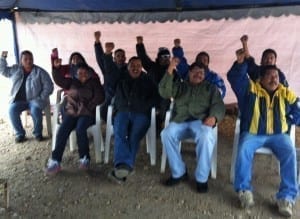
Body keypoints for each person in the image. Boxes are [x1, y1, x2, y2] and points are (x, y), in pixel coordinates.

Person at [227, 49, 300, 217]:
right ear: (261, 78)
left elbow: (298, 110)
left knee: (289, 151)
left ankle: (286, 197)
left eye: (276, 76)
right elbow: (235, 78)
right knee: (244, 148)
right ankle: (244, 191)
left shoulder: (285, 93)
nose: (274, 78)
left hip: (278, 135)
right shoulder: (250, 90)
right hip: (254, 134)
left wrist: (289, 121)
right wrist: (240, 64)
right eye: (270, 76)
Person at [159, 59, 225, 193]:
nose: (198, 75)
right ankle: (179, 172)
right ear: (189, 73)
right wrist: (170, 68)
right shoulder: (180, 86)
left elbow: (218, 105)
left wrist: (214, 117)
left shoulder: (210, 88)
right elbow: (164, 92)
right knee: (166, 134)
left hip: (200, 122)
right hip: (180, 120)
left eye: (201, 73)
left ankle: (201, 178)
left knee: (206, 136)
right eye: (195, 71)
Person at [45, 62, 105, 175]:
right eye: (79, 73)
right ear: (76, 74)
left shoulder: (94, 83)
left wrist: (88, 106)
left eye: (85, 73)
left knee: (80, 129)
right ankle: (55, 161)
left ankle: (84, 159)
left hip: (87, 113)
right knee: (63, 130)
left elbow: (100, 97)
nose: (82, 75)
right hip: (72, 112)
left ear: (89, 74)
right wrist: (56, 69)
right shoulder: (72, 82)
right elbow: (59, 80)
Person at [108, 56, 158, 184]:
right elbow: (108, 70)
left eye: (138, 66)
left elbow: (156, 97)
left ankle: (122, 168)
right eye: (132, 65)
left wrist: (146, 106)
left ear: (142, 68)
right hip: (123, 112)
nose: (135, 68)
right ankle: (125, 166)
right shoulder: (120, 78)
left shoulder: (148, 80)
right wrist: (106, 54)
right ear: (128, 66)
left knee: (134, 136)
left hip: (141, 114)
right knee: (119, 132)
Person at [0, 50, 54, 143]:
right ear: (21, 60)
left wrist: (41, 97)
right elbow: (3, 70)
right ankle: (20, 134)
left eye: (30, 59)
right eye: (26, 59)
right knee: (11, 110)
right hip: (19, 100)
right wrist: (3, 58)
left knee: (36, 110)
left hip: (35, 100)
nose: (29, 61)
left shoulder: (40, 71)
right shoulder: (15, 69)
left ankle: (38, 134)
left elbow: (49, 85)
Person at [136, 36, 172, 132]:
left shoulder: (172, 71)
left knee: (164, 104)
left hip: (164, 100)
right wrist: (140, 44)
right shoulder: (152, 67)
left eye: (168, 57)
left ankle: (158, 126)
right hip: (150, 97)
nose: (166, 59)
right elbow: (143, 57)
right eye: (164, 57)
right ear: (159, 58)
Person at [94, 31, 127, 121]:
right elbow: (100, 58)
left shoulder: (128, 69)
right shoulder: (108, 67)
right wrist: (97, 42)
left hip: (122, 97)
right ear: (114, 58)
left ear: (125, 58)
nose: (120, 58)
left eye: (122, 56)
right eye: (118, 56)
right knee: (103, 111)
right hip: (108, 96)